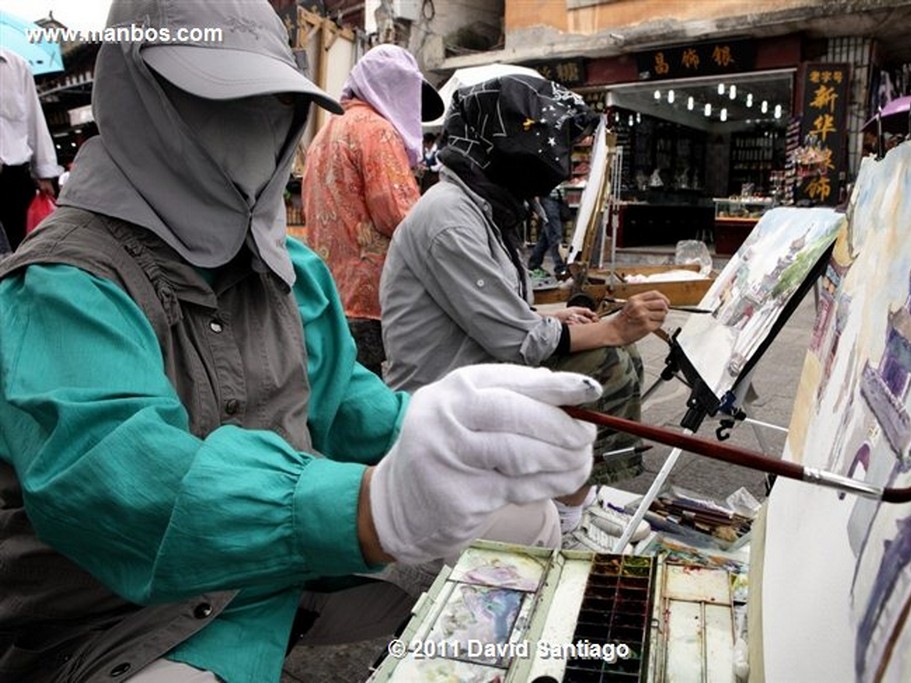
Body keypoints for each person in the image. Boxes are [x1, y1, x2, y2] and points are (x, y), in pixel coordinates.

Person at [0, 2, 602, 681]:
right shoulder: (63, 283)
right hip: (122, 621)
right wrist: (369, 506)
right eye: (213, 97)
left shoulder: (292, 270)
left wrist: (450, 430)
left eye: (272, 102)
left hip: (280, 574)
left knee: (522, 516)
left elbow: (346, 406)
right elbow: (121, 477)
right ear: (135, 98)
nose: (253, 125)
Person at [380, 74, 671, 532]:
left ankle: (573, 497)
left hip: (478, 368)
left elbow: (492, 310)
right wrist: (611, 328)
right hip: (441, 393)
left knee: (619, 354)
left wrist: (550, 315)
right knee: (605, 363)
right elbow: (517, 343)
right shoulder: (450, 217)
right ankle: (568, 518)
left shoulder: (483, 208)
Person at [303, 44, 443, 377]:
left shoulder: (326, 131)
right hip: (374, 298)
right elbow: (400, 215)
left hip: (332, 291)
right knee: (380, 395)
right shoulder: (377, 131)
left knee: (347, 390)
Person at [0, 46, 62, 252]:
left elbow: (34, 119)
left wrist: (44, 172)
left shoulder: (15, 65)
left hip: (14, 178)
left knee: (22, 251)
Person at [528, 187, 570, 281]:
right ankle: (560, 268)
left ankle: (534, 264)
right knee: (555, 234)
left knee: (546, 237)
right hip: (548, 196)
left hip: (557, 196)